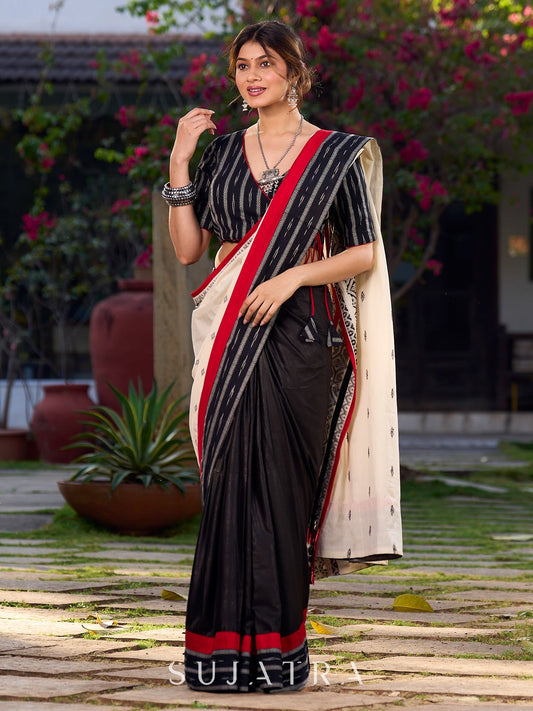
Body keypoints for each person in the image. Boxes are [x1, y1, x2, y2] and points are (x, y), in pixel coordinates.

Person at [164, 20, 402, 693]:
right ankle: (217, 656)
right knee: (228, 491)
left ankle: (278, 655)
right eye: (242, 65)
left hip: (302, 339)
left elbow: (363, 252)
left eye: (265, 64)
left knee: (280, 491)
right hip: (228, 331)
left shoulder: (333, 156)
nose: (251, 76)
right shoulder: (220, 154)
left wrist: (291, 277)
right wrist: (180, 160)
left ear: (296, 73)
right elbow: (189, 249)